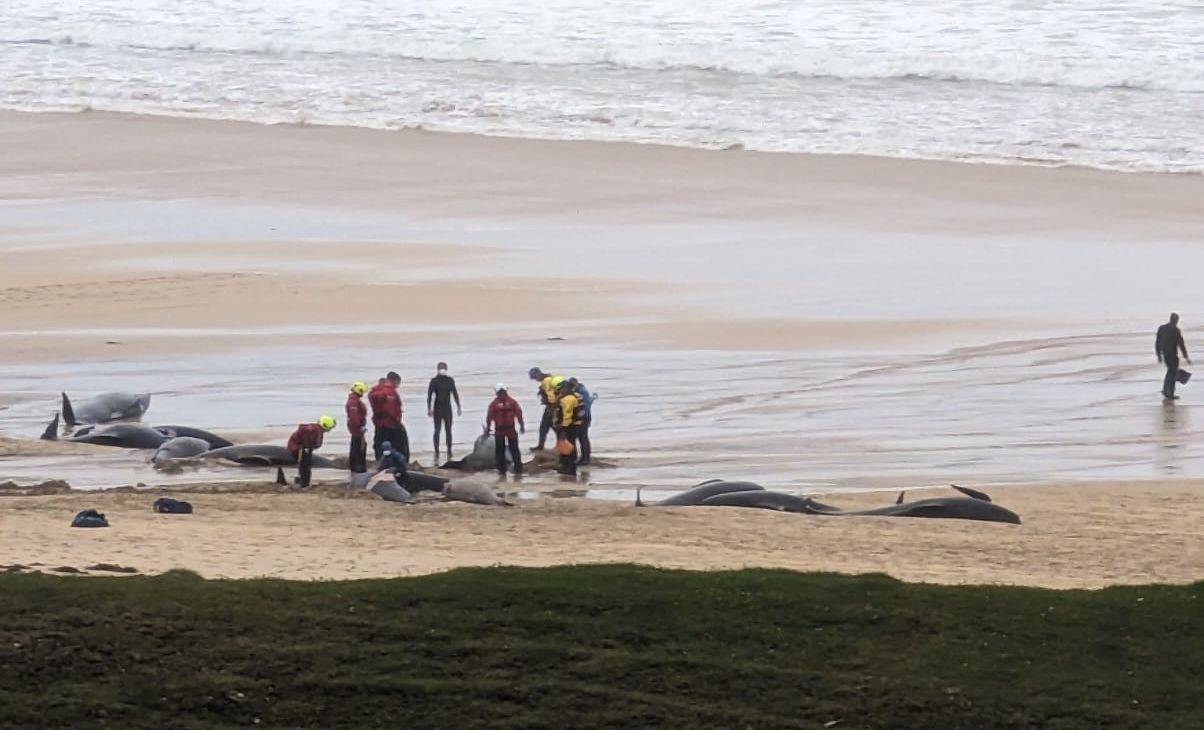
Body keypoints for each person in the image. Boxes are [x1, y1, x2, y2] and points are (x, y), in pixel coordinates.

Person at [485, 384, 525, 477]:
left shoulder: (496, 404)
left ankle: (513, 469)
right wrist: (522, 425)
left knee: (512, 450)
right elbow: (489, 417)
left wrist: (522, 425)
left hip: (508, 429)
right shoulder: (511, 402)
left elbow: (519, 414)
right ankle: (506, 470)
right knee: (503, 451)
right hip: (501, 430)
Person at [427, 362, 462, 463]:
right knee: (437, 430)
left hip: (447, 408)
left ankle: (449, 451)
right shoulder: (434, 381)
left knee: (448, 430)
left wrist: (458, 406)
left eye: (444, 368)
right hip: (437, 408)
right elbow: (429, 395)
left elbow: (455, 393)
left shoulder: (450, 380)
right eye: (441, 368)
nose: (442, 369)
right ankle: (436, 451)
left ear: (446, 369)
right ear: (437, 369)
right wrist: (429, 408)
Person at [287, 415, 336, 488]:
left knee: (305, 465)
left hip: (301, 447)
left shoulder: (316, 429)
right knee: (305, 466)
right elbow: (308, 441)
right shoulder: (314, 431)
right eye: (329, 428)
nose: (330, 430)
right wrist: (305, 448)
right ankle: (304, 484)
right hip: (300, 448)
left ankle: (303, 482)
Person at [368, 372, 409, 460]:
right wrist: (397, 421)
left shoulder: (377, 389)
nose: (398, 386)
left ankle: (380, 461)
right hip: (390, 424)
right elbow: (391, 409)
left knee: (380, 444)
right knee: (400, 445)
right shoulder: (390, 391)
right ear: (394, 381)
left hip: (378, 422)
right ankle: (401, 463)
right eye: (398, 383)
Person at [527, 367, 564, 451]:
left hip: (552, 408)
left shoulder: (546, 381)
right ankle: (543, 446)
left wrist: (549, 403)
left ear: (537, 375)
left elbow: (551, 397)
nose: (535, 380)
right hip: (554, 407)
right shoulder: (549, 378)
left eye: (534, 377)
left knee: (552, 427)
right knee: (546, 427)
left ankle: (556, 446)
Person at [1156, 313, 1191, 400]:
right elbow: (1181, 344)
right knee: (1173, 373)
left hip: (1165, 355)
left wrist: (1159, 355)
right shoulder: (1176, 330)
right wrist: (1186, 356)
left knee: (1170, 372)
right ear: (1176, 320)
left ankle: (1166, 390)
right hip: (1172, 355)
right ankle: (1170, 393)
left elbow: (1157, 342)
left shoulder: (1162, 328)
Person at [553, 380, 584, 476]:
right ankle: (568, 467)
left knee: (568, 447)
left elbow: (567, 415)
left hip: (569, 426)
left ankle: (569, 469)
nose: (561, 391)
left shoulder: (568, 399)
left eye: (562, 389)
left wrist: (562, 428)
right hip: (575, 425)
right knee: (569, 446)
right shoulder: (576, 396)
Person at [567, 377, 595, 466]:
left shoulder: (583, 392)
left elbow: (585, 407)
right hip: (580, 417)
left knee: (583, 438)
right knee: (580, 437)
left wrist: (580, 418)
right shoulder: (578, 391)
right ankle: (583, 457)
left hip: (584, 418)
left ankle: (586, 458)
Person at [345, 381, 368, 474]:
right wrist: (359, 426)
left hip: (357, 427)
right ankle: (358, 468)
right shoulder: (353, 401)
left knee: (357, 446)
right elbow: (354, 416)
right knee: (358, 448)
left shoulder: (354, 400)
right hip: (356, 428)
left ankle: (356, 467)